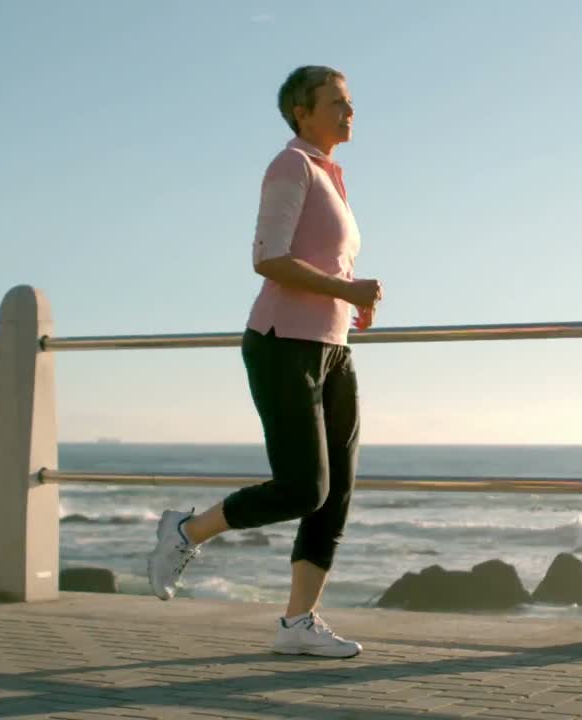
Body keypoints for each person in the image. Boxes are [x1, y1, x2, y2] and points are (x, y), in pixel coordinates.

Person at [146, 65, 382, 659]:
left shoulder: (331, 173)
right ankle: (186, 531)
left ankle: (298, 623)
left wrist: (352, 301)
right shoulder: (291, 165)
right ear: (302, 112)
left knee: (336, 494)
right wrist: (347, 290)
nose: (349, 111)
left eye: (350, 101)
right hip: (282, 344)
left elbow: (324, 261)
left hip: (333, 349)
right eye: (336, 102)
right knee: (304, 488)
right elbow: (268, 257)